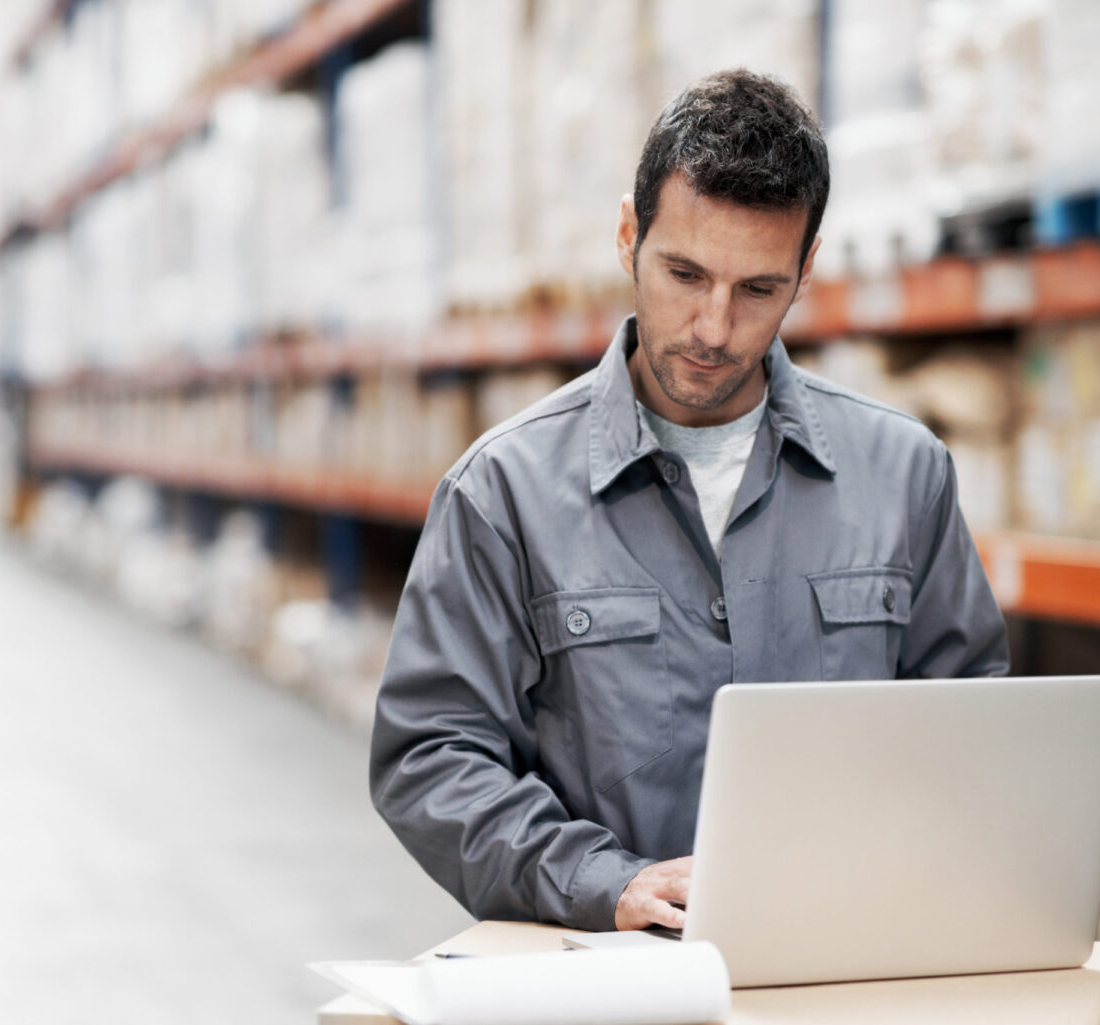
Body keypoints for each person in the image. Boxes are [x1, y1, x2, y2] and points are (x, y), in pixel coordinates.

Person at [369, 70, 1008, 935]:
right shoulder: (502, 492)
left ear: (805, 271)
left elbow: (971, 730)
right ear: (628, 235)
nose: (713, 327)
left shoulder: (904, 474)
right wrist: (601, 879)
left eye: (758, 289)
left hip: (843, 957)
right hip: (608, 973)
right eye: (684, 273)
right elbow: (431, 756)